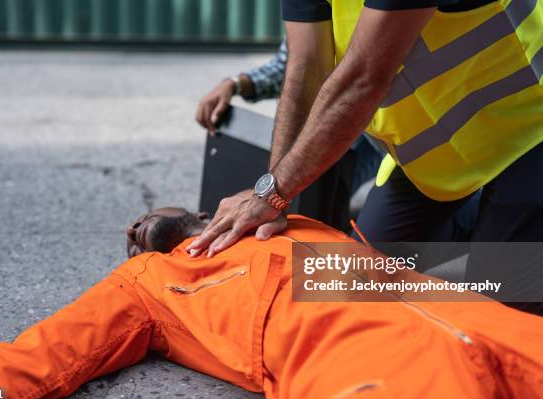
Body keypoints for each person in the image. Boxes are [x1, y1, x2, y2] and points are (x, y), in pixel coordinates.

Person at [0, 207, 543, 399]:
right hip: (360, 356)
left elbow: (440, 265)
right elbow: (38, 357)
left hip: (473, 319)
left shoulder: (273, 216)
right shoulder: (146, 282)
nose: (138, 226)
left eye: (147, 216)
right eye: (133, 231)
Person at [185, 0, 543, 308]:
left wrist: (273, 194)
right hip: (431, 165)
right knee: (350, 288)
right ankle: (480, 225)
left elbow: (364, 78)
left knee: (495, 319)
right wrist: (272, 196)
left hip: (527, 134)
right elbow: (306, 67)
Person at [195, 38, 385, 230]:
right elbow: (293, 68)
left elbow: (360, 81)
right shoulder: (307, 15)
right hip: (355, 126)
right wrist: (235, 84)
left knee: (323, 204)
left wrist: (273, 195)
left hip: (385, 133)